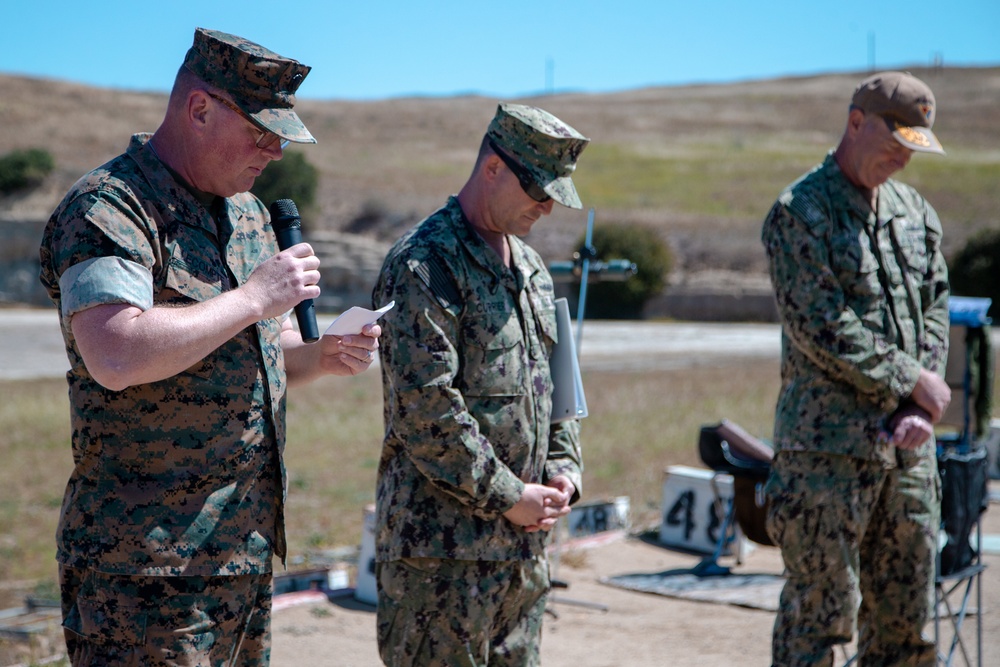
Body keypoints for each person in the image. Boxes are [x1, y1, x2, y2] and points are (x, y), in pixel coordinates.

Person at [38, 28, 381, 666]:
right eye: (260, 131)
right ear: (199, 109)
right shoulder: (110, 208)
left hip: (240, 554)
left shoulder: (247, 214)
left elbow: (255, 347)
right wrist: (254, 296)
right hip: (142, 571)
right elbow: (114, 352)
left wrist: (321, 355)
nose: (275, 150)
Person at [371, 102, 589, 666]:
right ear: (492, 167)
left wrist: (565, 469)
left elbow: (558, 384)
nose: (545, 207)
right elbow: (428, 413)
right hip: (441, 563)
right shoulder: (424, 264)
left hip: (521, 559)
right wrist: (511, 496)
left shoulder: (534, 270)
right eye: (537, 189)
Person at [761, 71, 952, 666]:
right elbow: (821, 324)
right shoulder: (800, 212)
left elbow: (935, 306)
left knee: (906, 627)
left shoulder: (915, 213)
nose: (902, 160)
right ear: (854, 123)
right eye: (894, 143)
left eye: (912, 149)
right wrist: (909, 381)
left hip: (909, 458)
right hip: (827, 456)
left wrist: (924, 404)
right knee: (817, 624)